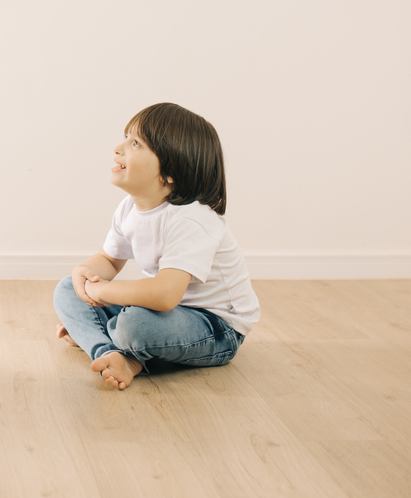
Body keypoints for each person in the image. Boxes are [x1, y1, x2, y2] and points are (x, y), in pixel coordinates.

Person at [53, 102, 260, 390]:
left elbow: (164, 294)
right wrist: (85, 272)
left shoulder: (191, 219)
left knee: (134, 325)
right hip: (165, 314)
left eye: (135, 143)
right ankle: (109, 352)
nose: (118, 148)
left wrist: (99, 292)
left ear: (170, 171)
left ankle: (108, 340)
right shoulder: (129, 208)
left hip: (216, 327)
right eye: (126, 138)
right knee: (67, 289)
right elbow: (109, 260)